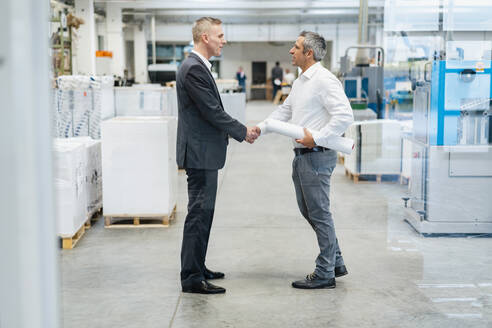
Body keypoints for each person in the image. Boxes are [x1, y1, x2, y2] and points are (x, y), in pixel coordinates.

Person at [255, 31, 353, 289]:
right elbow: (284, 111)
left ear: (308, 53)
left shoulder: (324, 80)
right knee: (309, 211)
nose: (291, 51)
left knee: (319, 214)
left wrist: (318, 138)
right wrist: (260, 128)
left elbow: (344, 116)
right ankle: (336, 261)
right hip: (303, 157)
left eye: (296, 47)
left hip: (317, 156)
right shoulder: (301, 82)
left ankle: (325, 273)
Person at [176, 17, 259, 295]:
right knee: (199, 214)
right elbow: (212, 111)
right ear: (205, 38)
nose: (223, 40)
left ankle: (198, 266)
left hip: (204, 153)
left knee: (204, 213)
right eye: (220, 36)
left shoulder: (199, 67)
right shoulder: (193, 69)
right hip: (200, 154)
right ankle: (191, 277)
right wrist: (242, 131)